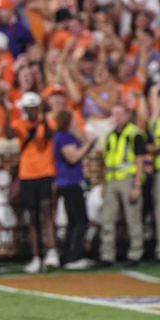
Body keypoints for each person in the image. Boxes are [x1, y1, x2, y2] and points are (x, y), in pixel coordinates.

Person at [12, 92, 59, 273]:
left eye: (34, 107)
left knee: (47, 212)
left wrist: (44, 117)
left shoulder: (46, 122)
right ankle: (36, 256)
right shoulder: (20, 124)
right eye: (28, 107)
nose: (31, 111)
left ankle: (52, 251)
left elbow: (48, 135)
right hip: (27, 174)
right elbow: (11, 132)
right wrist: (10, 111)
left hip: (45, 172)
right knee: (32, 216)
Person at [100, 104, 146, 265]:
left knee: (133, 218)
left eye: (120, 114)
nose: (117, 118)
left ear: (127, 115)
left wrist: (137, 184)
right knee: (107, 218)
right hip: (112, 179)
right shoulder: (110, 135)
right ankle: (107, 254)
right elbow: (106, 161)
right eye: (115, 114)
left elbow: (140, 160)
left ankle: (135, 253)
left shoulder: (134, 134)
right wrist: (104, 184)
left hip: (128, 179)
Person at [53, 110, 97, 270]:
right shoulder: (63, 137)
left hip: (71, 182)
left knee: (74, 221)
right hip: (69, 183)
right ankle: (74, 256)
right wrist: (89, 143)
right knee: (80, 220)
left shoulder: (69, 136)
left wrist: (84, 139)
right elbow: (73, 157)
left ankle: (68, 255)